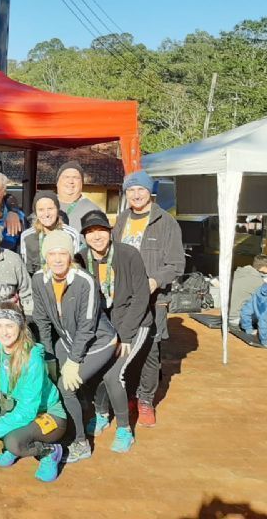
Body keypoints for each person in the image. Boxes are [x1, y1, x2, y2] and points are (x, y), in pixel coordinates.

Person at [31, 230, 118, 464]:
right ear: (45, 257)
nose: (58, 259)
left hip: (99, 341)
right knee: (53, 379)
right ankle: (69, 424)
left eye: (63, 253)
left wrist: (73, 361)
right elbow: (42, 321)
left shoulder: (84, 281)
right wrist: (47, 357)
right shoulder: (39, 279)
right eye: (52, 254)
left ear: (70, 256)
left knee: (65, 385)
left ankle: (81, 442)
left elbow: (88, 327)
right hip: (68, 340)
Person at [112, 170, 184, 428]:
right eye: (131, 190)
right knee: (126, 346)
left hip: (154, 300)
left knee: (150, 352)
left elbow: (176, 264)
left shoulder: (165, 223)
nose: (136, 194)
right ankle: (130, 395)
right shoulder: (121, 220)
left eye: (140, 189)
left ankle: (145, 400)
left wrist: (154, 280)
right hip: (124, 299)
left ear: (150, 192)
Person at [0, 304, 67, 483]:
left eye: (10, 325)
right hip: (11, 406)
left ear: (20, 326)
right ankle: (12, 446)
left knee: (14, 441)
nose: (4, 332)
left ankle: (49, 451)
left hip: (45, 413)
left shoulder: (31, 356)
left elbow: (28, 409)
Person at [78, 210, 152, 453]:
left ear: (109, 232)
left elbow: (141, 297)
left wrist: (126, 335)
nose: (96, 236)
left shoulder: (128, 254)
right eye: (90, 232)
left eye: (100, 230)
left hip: (134, 322)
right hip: (104, 327)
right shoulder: (81, 258)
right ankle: (100, 414)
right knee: (99, 371)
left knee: (113, 375)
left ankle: (124, 429)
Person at [20, 191, 81, 275]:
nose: (46, 214)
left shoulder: (71, 235)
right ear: (36, 212)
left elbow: (75, 267)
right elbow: (25, 271)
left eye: (50, 209)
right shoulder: (27, 237)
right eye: (41, 210)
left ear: (57, 210)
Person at [54, 161, 101, 231]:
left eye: (76, 178)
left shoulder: (92, 211)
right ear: (57, 182)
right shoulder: (43, 205)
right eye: (66, 177)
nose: (70, 181)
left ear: (82, 183)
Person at [230, 255, 267, 329]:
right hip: (236, 318)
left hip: (226, 314)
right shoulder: (258, 282)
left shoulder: (240, 272)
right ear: (264, 267)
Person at [240, 278, 267, 345]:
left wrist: (248, 329)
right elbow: (263, 320)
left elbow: (245, 311)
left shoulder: (258, 290)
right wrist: (265, 341)